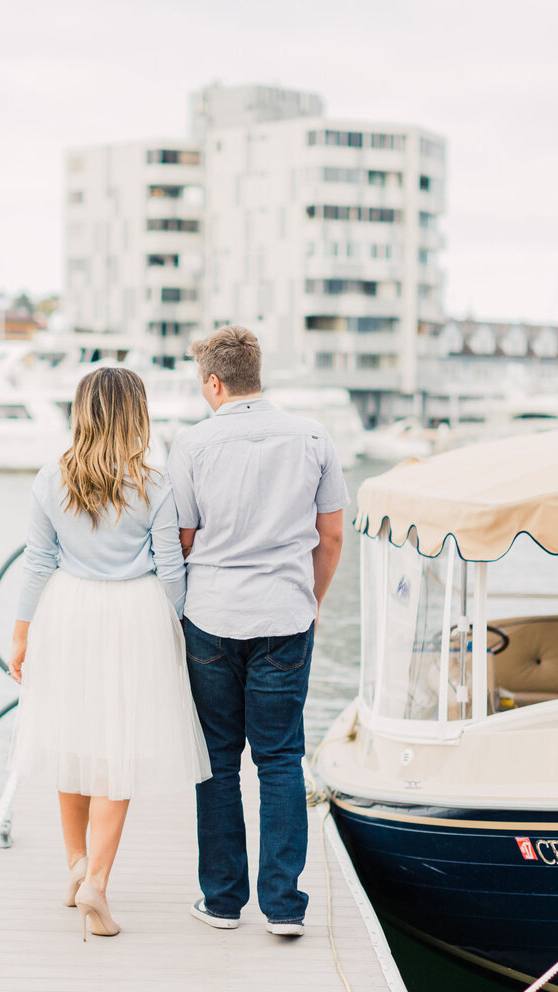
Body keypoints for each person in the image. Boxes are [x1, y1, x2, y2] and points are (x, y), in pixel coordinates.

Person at [8, 365, 211, 941]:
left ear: (83, 412)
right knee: (116, 749)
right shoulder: (155, 484)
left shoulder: (51, 479)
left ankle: (76, 867)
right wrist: (178, 628)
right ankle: (96, 878)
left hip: (66, 613)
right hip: (135, 614)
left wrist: (22, 633)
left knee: (71, 738)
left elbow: (37, 562)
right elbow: (172, 569)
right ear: (137, 416)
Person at [167, 326, 347, 937]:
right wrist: (312, 600)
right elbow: (332, 537)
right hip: (285, 616)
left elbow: (183, 539)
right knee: (280, 759)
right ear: (256, 374)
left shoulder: (191, 445)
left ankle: (221, 902)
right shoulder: (314, 437)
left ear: (213, 382)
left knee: (217, 761)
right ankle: (284, 907)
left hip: (212, 616)